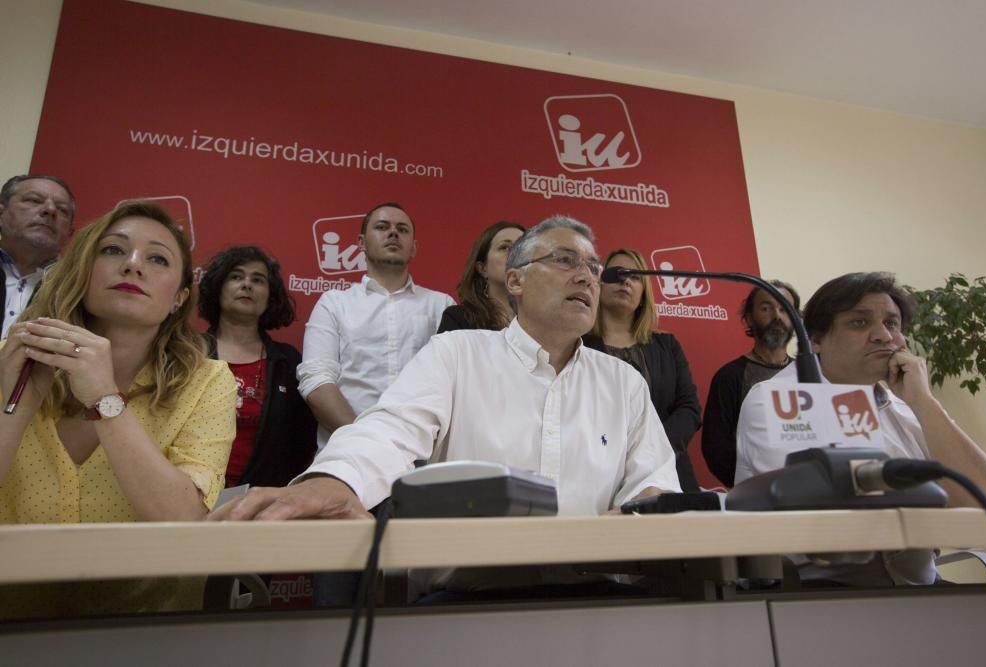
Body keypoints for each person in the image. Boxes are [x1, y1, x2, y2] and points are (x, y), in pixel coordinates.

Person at [213, 215, 681, 595]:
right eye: (565, 260)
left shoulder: (624, 382)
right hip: (468, 599)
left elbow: (654, 482)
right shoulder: (456, 353)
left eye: (595, 268)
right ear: (514, 280)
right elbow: (389, 431)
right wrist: (336, 480)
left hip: (597, 596)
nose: (586, 276)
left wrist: (640, 510)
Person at [0, 201, 236, 616]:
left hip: (141, 628)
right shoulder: (11, 356)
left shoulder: (208, 380)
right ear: (82, 271)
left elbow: (182, 523)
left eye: (157, 258)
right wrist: (16, 400)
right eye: (113, 250)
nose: (132, 266)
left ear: (179, 297)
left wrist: (104, 398)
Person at [735, 272, 986, 585]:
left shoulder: (906, 403)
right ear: (815, 340)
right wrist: (930, 507)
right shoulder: (777, 399)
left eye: (892, 323)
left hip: (918, 585)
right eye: (860, 323)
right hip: (816, 590)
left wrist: (926, 404)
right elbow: (820, 515)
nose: (883, 336)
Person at [297, 202, 454, 449]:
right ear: (361, 243)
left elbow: (453, 386)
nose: (393, 233)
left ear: (413, 247)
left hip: (422, 454)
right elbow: (316, 381)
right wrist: (364, 443)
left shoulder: (441, 305)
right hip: (348, 454)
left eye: (402, 229)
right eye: (382, 227)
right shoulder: (334, 303)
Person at [584, 248, 701, 492]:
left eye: (635, 276)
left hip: (668, 473)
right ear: (598, 284)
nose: (625, 280)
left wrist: (650, 449)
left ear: (644, 292)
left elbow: (689, 409)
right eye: (616, 273)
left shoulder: (667, 346)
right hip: (597, 476)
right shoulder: (578, 344)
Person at [198, 245, 316, 488]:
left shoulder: (288, 361)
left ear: (270, 296)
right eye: (236, 277)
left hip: (262, 505)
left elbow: (302, 442)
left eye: (258, 280)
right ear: (219, 288)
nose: (247, 285)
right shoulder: (186, 352)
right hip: (189, 496)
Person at [701, 280, 800, 487]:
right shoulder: (730, 376)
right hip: (755, 495)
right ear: (749, 318)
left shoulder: (809, 375)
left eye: (785, 309)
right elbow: (716, 449)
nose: (777, 316)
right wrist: (750, 486)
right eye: (766, 308)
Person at [0, 174, 76, 338]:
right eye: (34, 200)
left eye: (62, 209)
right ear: (1, 213)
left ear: (70, 233)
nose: (50, 210)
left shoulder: (76, 292)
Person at [437, 221, 525, 332]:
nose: (516, 253)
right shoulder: (458, 318)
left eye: (523, 248)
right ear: (483, 268)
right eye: (505, 247)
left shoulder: (544, 319)